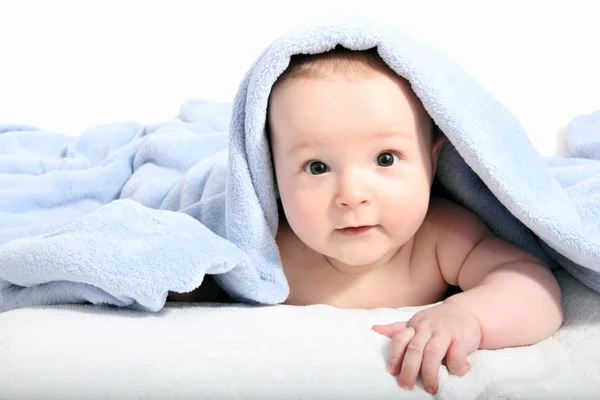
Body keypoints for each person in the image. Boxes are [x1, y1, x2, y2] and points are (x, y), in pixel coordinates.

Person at [170, 46, 563, 395]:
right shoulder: (266, 249)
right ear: (270, 173)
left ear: (432, 160)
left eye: (385, 158)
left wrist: (470, 314)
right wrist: (180, 282)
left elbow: (532, 286)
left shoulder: (442, 239)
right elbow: (192, 265)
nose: (352, 194)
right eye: (317, 167)